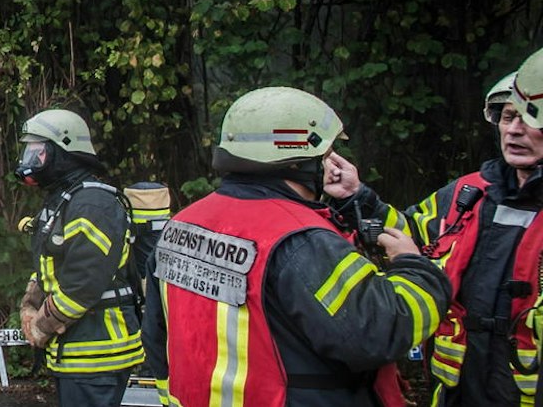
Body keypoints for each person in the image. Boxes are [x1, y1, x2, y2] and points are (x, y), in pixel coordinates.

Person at [143, 86, 450, 407]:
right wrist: (413, 267)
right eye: (326, 154)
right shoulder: (302, 240)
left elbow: (156, 337)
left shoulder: (182, 224)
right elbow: (380, 333)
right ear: (296, 160)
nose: (332, 163)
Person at [331, 58, 543, 406]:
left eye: (529, 119)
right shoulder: (468, 193)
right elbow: (413, 232)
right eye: (508, 117)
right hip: (457, 387)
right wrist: (358, 197)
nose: (514, 130)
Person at [15, 108, 145, 407]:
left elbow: (82, 284)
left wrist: (41, 325)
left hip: (97, 354)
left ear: (63, 152)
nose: (30, 161)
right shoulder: (65, 199)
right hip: (78, 351)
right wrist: (30, 302)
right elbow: (52, 264)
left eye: (38, 152)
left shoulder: (92, 205)